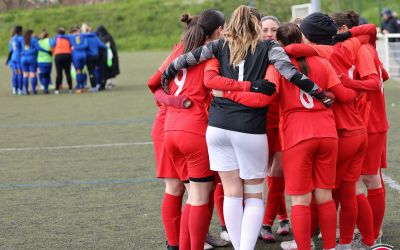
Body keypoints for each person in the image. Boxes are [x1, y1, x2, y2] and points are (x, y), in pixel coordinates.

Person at [161, 6, 335, 250]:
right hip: (249, 128)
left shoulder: (219, 47)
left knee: (231, 192)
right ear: (257, 25)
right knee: (253, 194)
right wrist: (317, 92)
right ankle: (246, 248)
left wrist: (167, 76)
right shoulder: (269, 48)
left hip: (217, 128)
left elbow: (186, 59)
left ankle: (238, 244)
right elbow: (290, 72)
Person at [282, 13, 377, 250]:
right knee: (351, 189)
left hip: (340, 130)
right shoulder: (344, 47)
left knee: (313, 194)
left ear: (309, 36)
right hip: (357, 129)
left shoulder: (319, 53)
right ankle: (359, 241)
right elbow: (370, 30)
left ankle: (307, 242)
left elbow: (289, 49)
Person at [267, 22, 359, 250]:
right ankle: (329, 247)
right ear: (302, 39)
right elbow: (338, 95)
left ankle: (304, 245)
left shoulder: (277, 65)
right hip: (327, 133)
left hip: (298, 135)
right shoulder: (322, 61)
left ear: (279, 43)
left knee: (300, 200)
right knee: (325, 197)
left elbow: (268, 97)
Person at [333, 11, 389, 248]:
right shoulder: (359, 45)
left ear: (343, 28)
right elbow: (384, 74)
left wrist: (345, 82)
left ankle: (374, 233)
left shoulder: (362, 48)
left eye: (332, 32)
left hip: (371, 123)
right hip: (362, 121)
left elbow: (375, 82)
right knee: (360, 178)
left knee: (369, 178)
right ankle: (366, 229)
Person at [258, 15, 291, 243]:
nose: (269, 33)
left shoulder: (286, 56)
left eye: (273, 29)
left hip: (283, 123)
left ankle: (266, 223)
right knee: (268, 174)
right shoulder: (256, 55)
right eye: (265, 29)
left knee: (277, 173)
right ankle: (283, 217)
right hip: (260, 124)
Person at [81, 23, 107, 92]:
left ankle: (93, 87)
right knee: (94, 71)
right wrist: (107, 46)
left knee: (91, 72)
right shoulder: (95, 37)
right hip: (96, 56)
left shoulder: (83, 37)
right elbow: (102, 46)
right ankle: (97, 84)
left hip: (88, 57)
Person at [95, 25, 120, 90]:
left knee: (111, 70)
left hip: (110, 56)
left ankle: (111, 83)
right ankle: (108, 82)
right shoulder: (105, 36)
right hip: (109, 56)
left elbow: (107, 46)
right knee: (109, 70)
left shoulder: (107, 37)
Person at [51, 27, 73, 94]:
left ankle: (57, 90)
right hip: (67, 55)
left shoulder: (56, 38)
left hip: (58, 55)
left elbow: (52, 45)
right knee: (68, 73)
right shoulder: (68, 38)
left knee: (59, 73)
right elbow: (71, 45)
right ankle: (70, 89)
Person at [380, 8, 400, 76]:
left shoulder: (394, 20)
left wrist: (396, 18)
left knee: (398, 58)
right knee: (397, 59)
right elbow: (382, 30)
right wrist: (384, 32)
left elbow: (398, 27)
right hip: (390, 43)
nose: (383, 16)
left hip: (397, 42)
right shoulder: (384, 22)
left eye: (384, 14)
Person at [69, 26, 88, 93]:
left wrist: (75, 47)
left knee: (78, 71)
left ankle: (79, 87)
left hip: (76, 56)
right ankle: (83, 86)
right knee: (82, 71)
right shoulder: (83, 36)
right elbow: (86, 45)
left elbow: (61, 36)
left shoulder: (70, 37)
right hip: (84, 55)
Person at [21, 29, 38, 95]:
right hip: (31, 58)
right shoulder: (33, 39)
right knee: (32, 74)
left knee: (25, 74)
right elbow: (37, 48)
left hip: (23, 58)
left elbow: (22, 49)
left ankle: (26, 90)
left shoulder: (23, 40)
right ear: (31, 34)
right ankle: (34, 90)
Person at [7, 26, 24, 95]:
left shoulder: (11, 39)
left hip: (13, 58)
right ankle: (20, 90)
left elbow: (10, 50)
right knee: (20, 74)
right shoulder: (21, 38)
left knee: (15, 74)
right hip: (19, 57)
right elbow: (23, 49)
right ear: (20, 31)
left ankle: (14, 89)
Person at [37, 29, 53, 94]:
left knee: (42, 75)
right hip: (48, 60)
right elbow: (53, 46)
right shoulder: (49, 40)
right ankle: (46, 88)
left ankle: (44, 87)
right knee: (47, 75)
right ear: (48, 35)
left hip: (40, 61)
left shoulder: (37, 41)